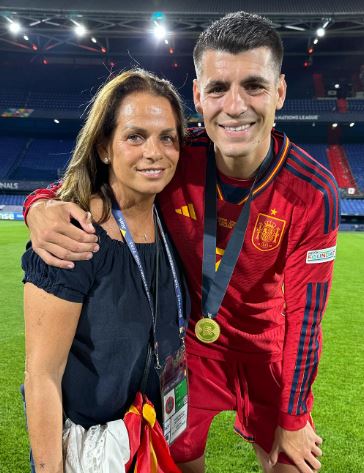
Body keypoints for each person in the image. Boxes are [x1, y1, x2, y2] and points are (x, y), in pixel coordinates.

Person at [23, 12, 339, 473]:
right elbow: (103, 175)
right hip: (192, 352)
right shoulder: (175, 157)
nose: (234, 106)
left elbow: (307, 320)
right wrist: (39, 204)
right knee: (181, 461)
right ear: (197, 95)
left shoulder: (314, 190)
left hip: (266, 349)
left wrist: (293, 418)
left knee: (293, 463)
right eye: (217, 88)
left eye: (253, 85)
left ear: (280, 93)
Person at [21, 69, 190, 472]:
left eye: (167, 137)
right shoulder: (74, 238)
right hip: (88, 449)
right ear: (103, 148)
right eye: (135, 136)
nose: (155, 152)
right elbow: (42, 375)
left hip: (147, 436)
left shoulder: (173, 221)